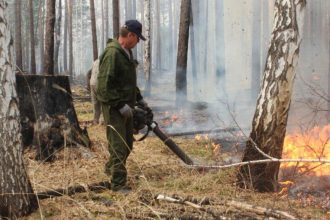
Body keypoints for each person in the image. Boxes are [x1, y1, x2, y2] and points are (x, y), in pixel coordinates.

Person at [96, 20, 148, 193]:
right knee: (118, 145)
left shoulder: (125, 53)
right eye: (137, 38)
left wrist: (139, 99)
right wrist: (119, 105)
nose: (138, 42)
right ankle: (118, 185)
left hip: (126, 105)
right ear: (130, 35)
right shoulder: (112, 53)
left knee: (127, 144)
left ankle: (110, 168)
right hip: (113, 107)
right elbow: (103, 86)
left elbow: (127, 82)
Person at [89, 59, 102, 124]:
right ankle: (102, 122)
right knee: (103, 103)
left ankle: (95, 120)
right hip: (99, 83)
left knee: (95, 103)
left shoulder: (95, 61)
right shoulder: (106, 60)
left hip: (92, 83)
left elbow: (89, 73)